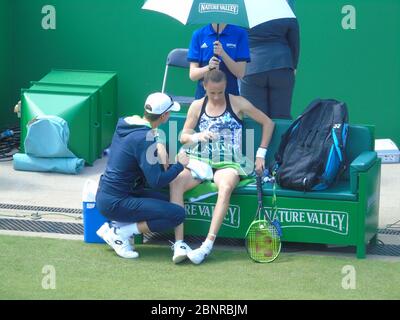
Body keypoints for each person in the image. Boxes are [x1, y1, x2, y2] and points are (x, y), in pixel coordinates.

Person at [170, 69, 275, 264]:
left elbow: (268, 123)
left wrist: (260, 154)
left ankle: (206, 246)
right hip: (202, 160)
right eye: (212, 93)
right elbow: (183, 136)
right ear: (205, 87)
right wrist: (196, 136)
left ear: (225, 86)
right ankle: (179, 244)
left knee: (225, 187)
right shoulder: (196, 106)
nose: (217, 96)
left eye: (220, 92)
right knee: (176, 182)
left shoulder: (238, 102)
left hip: (229, 162)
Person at [95, 92, 192, 263]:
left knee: (168, 200)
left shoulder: (127, 124)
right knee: (177, 214)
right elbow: (156, 181)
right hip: (116, 203)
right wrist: (179, 165)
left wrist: (159, 143)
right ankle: (120, 234)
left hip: (111, 195)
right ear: (164, 116)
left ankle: (116, 227)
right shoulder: (144, 139)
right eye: (169, 112)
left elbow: (148, 138)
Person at [239, 3, 300, 119]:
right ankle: (281, 138)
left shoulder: (244, 4)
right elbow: (294, 38)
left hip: (252, 68)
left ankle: (257, 138)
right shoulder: (285, 3)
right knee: (281, 118)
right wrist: (293, 65)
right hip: (282, 66)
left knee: (254, 118)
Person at [188, 23, 251, 100]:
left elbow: (240, 73)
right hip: (203, 96)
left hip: (230, 96)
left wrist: (223, 54)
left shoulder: (240, 33)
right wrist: (209, 67)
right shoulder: (198, 34)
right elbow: (193, 75)